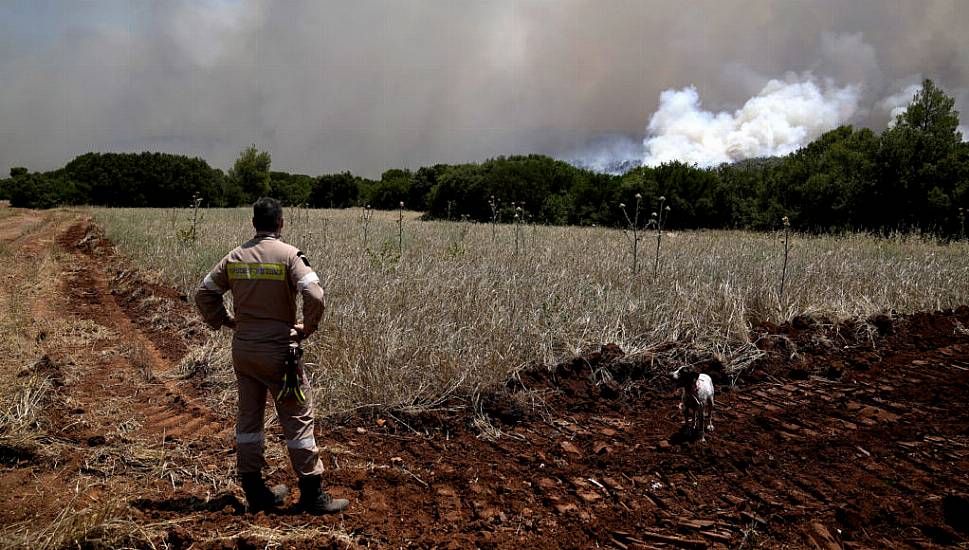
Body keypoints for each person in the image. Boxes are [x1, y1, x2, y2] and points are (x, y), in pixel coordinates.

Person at [195, 197, 349, 514]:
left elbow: (204, 293)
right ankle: (312, 494)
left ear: (254, 223)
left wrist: (223, 321)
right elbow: (315, 293)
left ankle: (255, 491)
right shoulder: (289, 255)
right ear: (280, 223)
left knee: (249, 419)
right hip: (279, 354)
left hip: (244, 351)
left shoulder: (234, 257)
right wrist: (308, 326)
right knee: (298, 418)